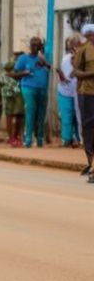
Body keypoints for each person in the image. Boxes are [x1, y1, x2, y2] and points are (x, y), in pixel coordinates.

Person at [10, 37, 51, 148]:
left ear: (40, 47)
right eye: (33, 45)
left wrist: (44, 62)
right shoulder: (23, 58)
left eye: (38, 45)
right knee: (30, 111)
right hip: (28, 88)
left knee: (41, 114)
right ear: (30, 46)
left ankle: (40, 138)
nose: (35, 47)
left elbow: (52, 68)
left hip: (42, 88)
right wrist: (24, 73)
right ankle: (28, 138)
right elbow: (13, 73)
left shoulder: (45, 57)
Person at [72, 23, 94, 182]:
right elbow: (76, 72)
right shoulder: (83, 50)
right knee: (88, 127)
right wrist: (91, 73)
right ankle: (91, 164)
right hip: (87, 93)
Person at [57, 35, 82, 148]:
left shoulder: (80, 57)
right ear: (72, 47)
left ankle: (78, 139)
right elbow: (68, 78)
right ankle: (66, 140)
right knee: (67, 117)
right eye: (76, 45)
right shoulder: (67, 59)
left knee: (78, 118)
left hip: (76, 92)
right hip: (65, 93)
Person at [0, 59, 25, 147]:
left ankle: (16, 136)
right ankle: (12, 137)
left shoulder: (9, 75)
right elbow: (8, 87)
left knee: (19, 116)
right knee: (10, 116)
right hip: (12, 96)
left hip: (17, 96)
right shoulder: (6, 76)